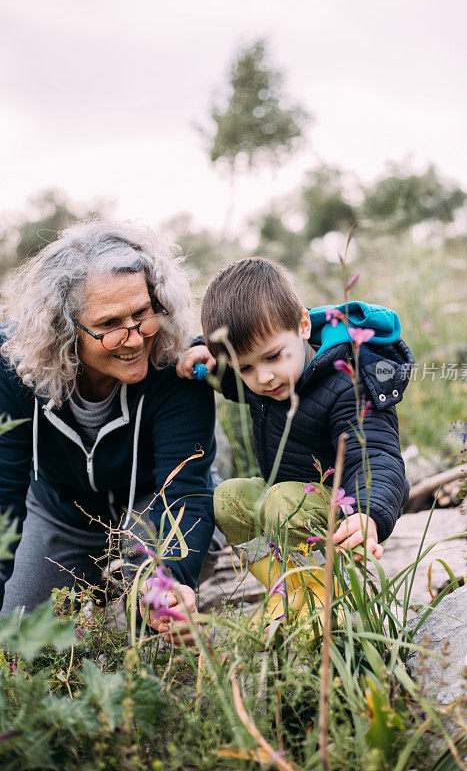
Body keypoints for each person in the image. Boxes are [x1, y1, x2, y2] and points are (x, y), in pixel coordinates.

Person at [0, 221, 216, 642]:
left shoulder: (179, 365)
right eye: (110, 323)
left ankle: (206, 565)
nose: (135, 338)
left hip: (153, 507)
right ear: (63, 329)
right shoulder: (12, 366)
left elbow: (185, 491)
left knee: (147, 631)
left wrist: (166, 586)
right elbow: (3, 494)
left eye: (142, 313)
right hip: (59, 509)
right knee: (18, 637)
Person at [177, 257, 413, 620]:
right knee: (228, 498)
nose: (265, 378)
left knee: (284, 502)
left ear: (303, 325)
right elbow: (232, 375)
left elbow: (377, 455)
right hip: (284, 505)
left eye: (273, 357)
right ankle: (285, 591)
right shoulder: (266, 377)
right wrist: (204, 352)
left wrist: (369, 514)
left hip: (339, 516)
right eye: (246, 368)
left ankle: (325, 602)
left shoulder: (345, 382)